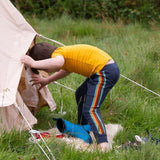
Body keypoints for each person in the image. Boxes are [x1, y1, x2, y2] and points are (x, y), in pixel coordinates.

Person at [21, 42, 120, 152]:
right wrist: (47, 80)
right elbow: (66, 70)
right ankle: (84, 127)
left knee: (91, 109)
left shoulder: (58, 55)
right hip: (104, 70)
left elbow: (58, 62)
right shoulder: (64, 55)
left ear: (46, 60)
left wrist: (34, 63)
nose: (47, 71)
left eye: (45, 69)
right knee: (81, 94)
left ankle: (103, 143)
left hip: (104, 71)